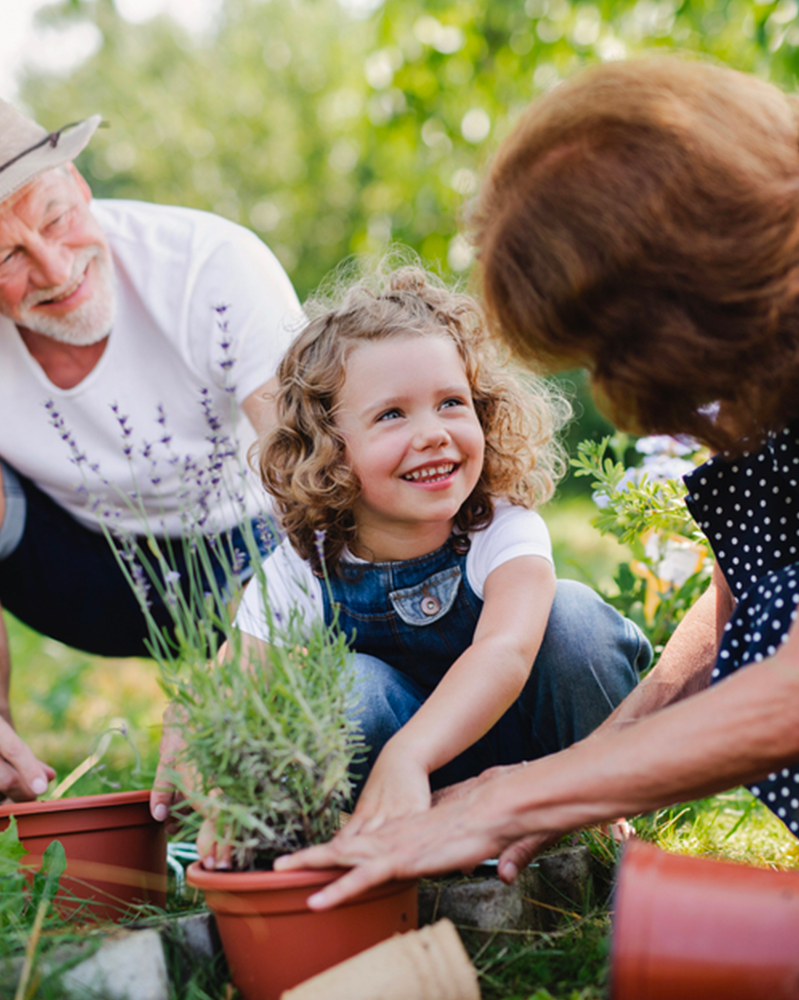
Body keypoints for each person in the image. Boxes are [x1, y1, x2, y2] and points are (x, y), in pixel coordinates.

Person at [276, 56, 799, 909]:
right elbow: (751, 607)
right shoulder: (796, 346)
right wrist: (570, 784)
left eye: (608, 349)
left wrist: (507, 797)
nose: (612, 391)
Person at [0, 77, 300, 810]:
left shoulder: (212, 265)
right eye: (4, 258)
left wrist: (244, 663)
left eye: (56, 217)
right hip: (80, 568)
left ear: (77, 179)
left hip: (256, 549)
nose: (55, 267)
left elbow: (332, 500)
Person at [191, 265, 649, 869]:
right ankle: (390, 841)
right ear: (329, 446)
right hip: (397, 791)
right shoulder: (304, 565)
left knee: (574, 619)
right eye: (392, 415)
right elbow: (240, 689)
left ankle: (594, 812)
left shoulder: (501, 529)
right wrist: (228, 791)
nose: (433, 433)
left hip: (534, 765)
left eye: (450, 403)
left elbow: (505, 652)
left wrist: (411, 751)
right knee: (344, 686)